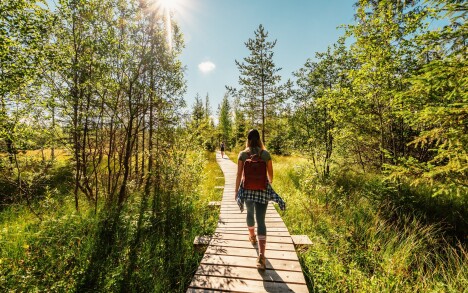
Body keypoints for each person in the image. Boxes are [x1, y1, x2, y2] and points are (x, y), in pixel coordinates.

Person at [234, 129, 273, 270]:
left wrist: (236, 191)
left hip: (248, 190)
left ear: (248, 140)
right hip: (262, 191)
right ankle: (261, 256)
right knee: (261, 220)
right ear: (259, 140)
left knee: (250, 214)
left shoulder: (243, 154)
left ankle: (252, 237)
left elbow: (239, 175)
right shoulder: (266, 154)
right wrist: (264, 183)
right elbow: (271, 177)